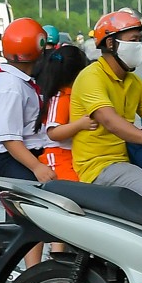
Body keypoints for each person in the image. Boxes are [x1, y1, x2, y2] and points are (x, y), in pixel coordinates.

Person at [68, 9, 142, 203]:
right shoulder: (92, 77)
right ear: (110, 43)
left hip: (126, 159)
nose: (140, 46)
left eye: (140, 40)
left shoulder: (132, 80)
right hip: (99, 167)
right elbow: (110, 121)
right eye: (133, 40)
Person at [0, 19, 55, 183]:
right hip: (6, 155)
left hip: (27, 149)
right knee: (40, 193)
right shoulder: (11, 87)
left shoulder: (21, 81)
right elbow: (9, 138)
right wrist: (36, 167)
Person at [34, 42, 96, 181]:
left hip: (74, 155)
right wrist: (80, 125)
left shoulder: (74, 94)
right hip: (58, 157)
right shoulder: (60, 97)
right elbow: (54, 132)